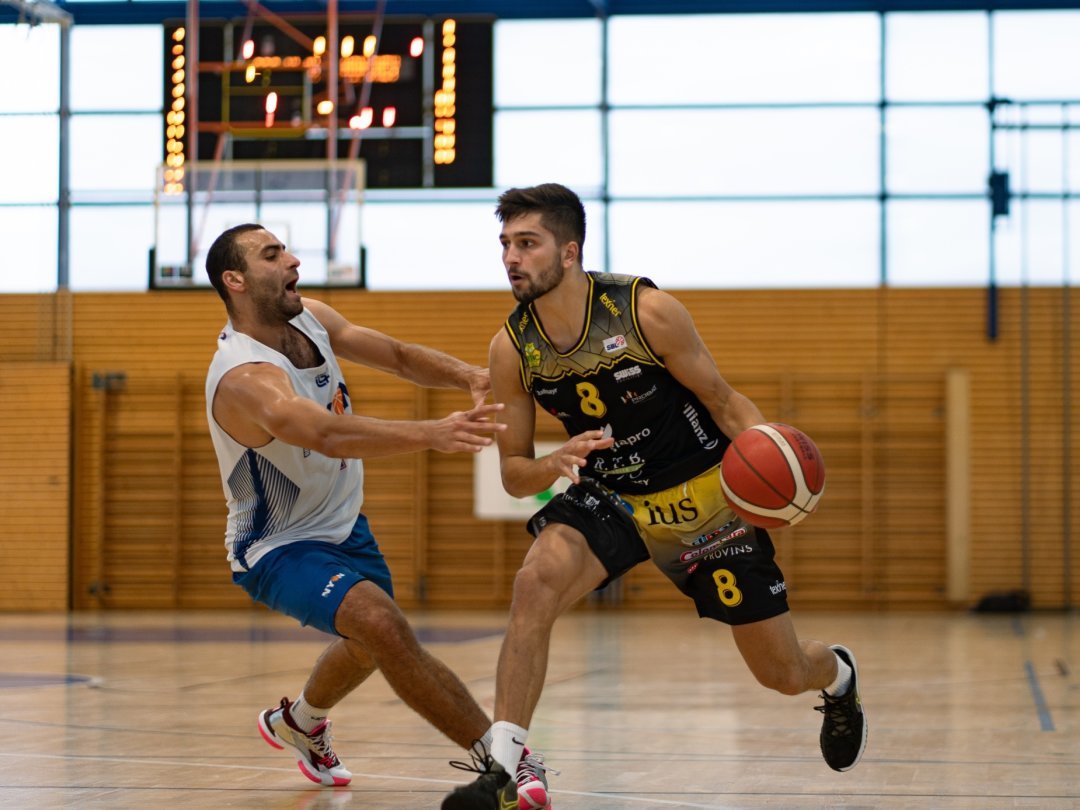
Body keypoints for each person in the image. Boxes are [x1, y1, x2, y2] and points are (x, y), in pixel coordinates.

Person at [442, 184, 868, 808]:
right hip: (612, 494)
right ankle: (503, 768)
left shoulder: (646, 311)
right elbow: (512, 473)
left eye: (527, 243)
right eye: (505, 244)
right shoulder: (512, 349)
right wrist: (552, 464)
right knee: (535, 583)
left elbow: (724, 402)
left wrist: (777, 469)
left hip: (706, 499)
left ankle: (838, 675)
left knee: (782, 674)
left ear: (569, 252)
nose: (511, 257)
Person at [203, 223, 553, 802]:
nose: (293, 260)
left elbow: (392, 354)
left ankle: (301, 723)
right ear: (234, 281)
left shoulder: (309, 316)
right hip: (276, 545)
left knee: (372, 643)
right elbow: (326, 433)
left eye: (286, 248)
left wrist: (466, 374)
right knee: (384, 628)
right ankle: (505, 762)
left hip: (344, 525)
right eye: (272, 255)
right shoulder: (245, 377)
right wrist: (432, 434)